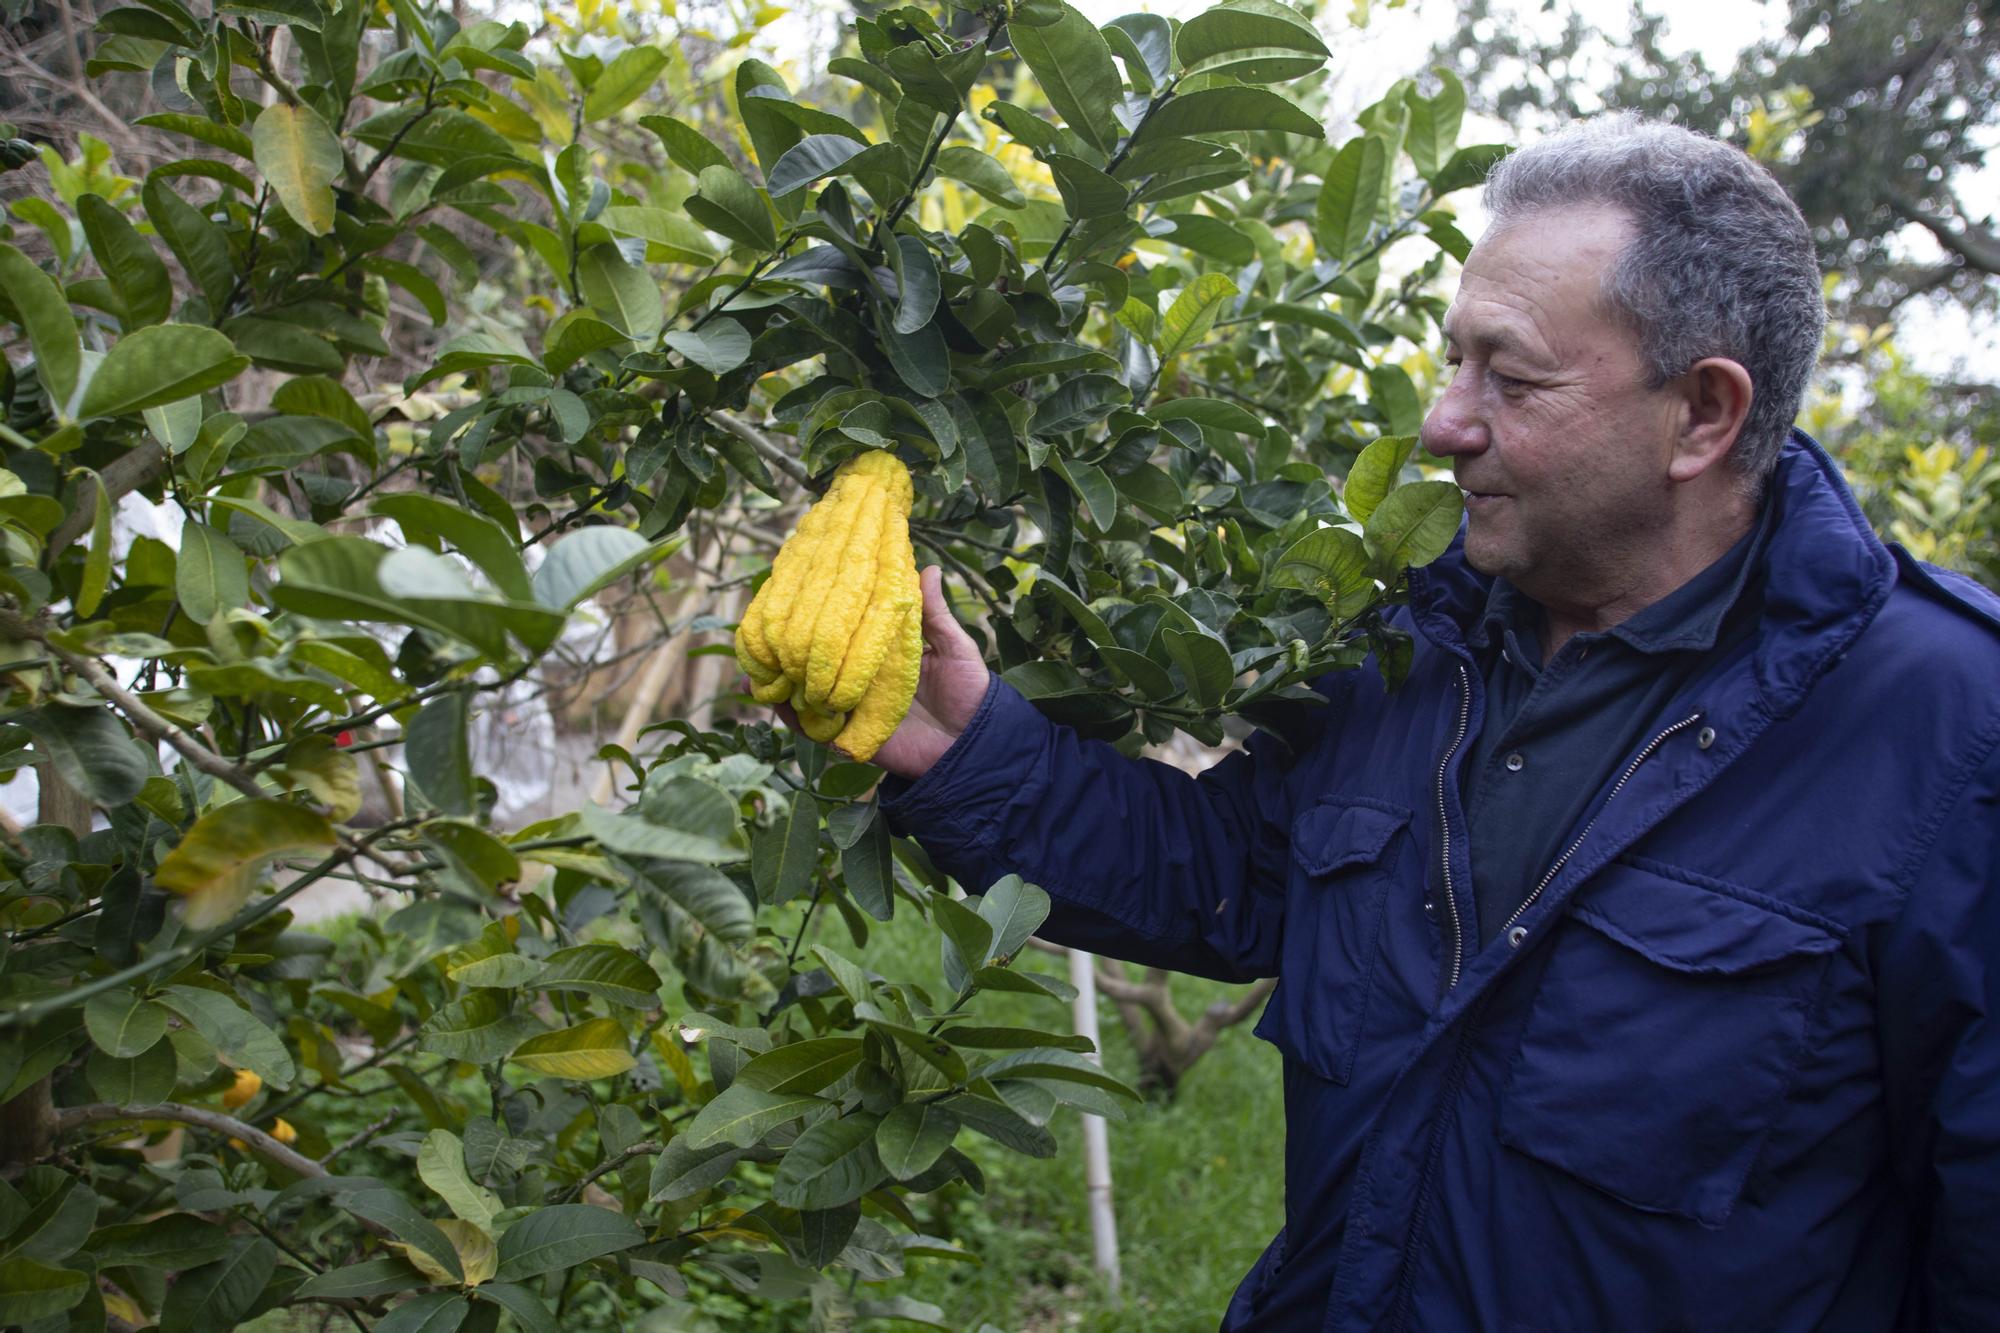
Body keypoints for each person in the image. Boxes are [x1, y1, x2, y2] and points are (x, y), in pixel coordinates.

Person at [839, 117, 2000, 1329]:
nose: (1442, 422)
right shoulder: (1415, 637)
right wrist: (965, 748)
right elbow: (1227, 877)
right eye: (1451, 361)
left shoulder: (1943, 730)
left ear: (1701, 416)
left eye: (1508, 376)